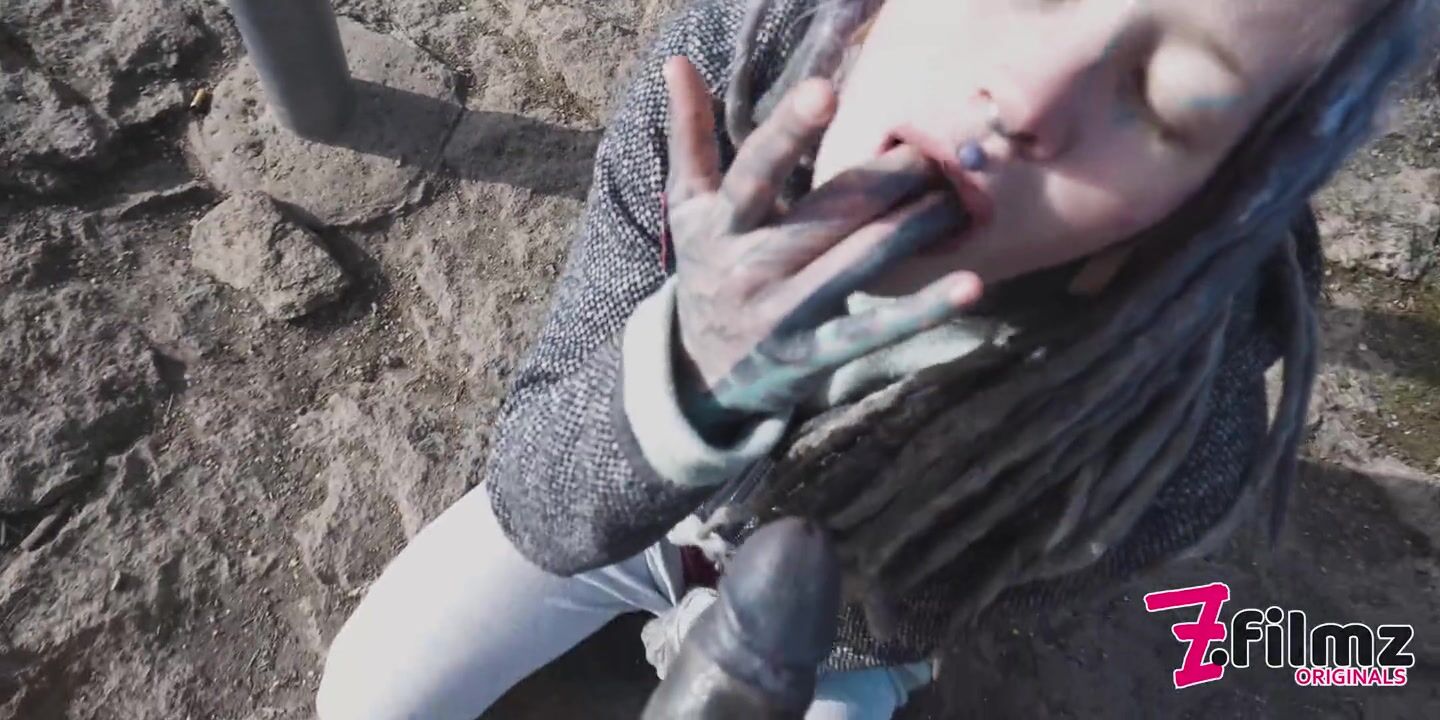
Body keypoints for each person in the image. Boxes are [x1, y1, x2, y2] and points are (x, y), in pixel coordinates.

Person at [316, 0, 1432, 717]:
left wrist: (820, 626)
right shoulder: (718, 73)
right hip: (635, 529)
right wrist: (687, 377)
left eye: (1168, 96)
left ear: (1213, 203)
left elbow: (1008, 598)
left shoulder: (1185, 425)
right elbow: (538, 499)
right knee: (367, 698)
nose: (1027, 98)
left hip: (852, 633)